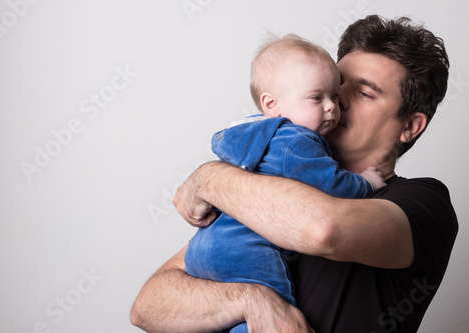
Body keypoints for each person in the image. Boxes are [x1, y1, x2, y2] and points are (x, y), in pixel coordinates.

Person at [130, 15, 458, 333]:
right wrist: (250, 299)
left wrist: (209, 179)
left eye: (363, 93)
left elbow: (322, 228)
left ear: (410, 126)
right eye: (335, 84)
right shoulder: (272, 178)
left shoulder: (424, 202)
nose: (336, 100)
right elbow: (148, 306)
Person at [184, 34, 385, 333]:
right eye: (318, 97)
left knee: (225, 317)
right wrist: (366, 183)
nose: (333, 106)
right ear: (272, 104)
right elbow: (331, 185)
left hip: (204, 249)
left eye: (333, 95)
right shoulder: (296, 142)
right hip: (248, 251)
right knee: (275, 313)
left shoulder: (254, 133)